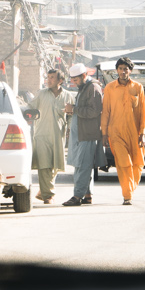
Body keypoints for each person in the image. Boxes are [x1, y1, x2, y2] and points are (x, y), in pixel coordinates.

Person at [102, 57, 145, 205]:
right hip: (115, 133)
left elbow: (142, 112)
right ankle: (127, 195)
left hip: (134, 133)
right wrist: (104, 133)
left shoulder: (137, 87)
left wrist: (142, 133)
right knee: (123, 163)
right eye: (121, 69)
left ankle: (130, 188)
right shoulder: (109, 88)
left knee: (138, 163)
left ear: (130, 71)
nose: (123, 71)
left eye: (126, 69)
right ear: (117, 70)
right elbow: (106, 112)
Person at [31, 67, 71, 204]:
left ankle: (44, 190)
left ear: (60, 80)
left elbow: (71, 115)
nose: (49, 80)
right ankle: (48, 195)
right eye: (48, 78)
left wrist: (71, 128)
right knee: (44, 165)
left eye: (52, 78)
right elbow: (29, 107)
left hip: (58, 135)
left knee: (55, 165)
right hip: (41, 134)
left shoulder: (67, 96)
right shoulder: (41, 94)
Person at [64, 63, 102, 206]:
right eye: (72, 80)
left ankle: (77, 196)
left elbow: (94, 111)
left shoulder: (93, 88)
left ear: (84, 75)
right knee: (82, 165)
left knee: (82, 166)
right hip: (80, 133)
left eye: (76, 80)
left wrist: (74, 109)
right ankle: (87, 195)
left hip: (88, 133)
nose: (74, 83)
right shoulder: (83, 88)